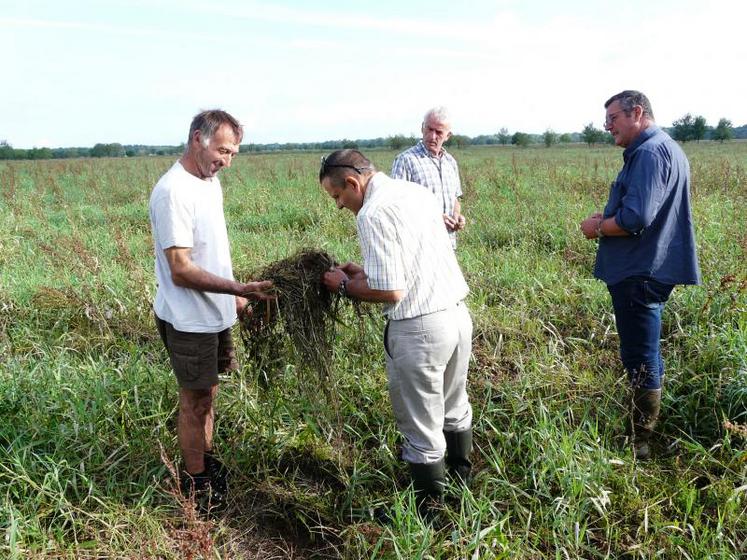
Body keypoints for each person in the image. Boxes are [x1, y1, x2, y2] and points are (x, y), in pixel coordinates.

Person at [319, 149, 473, 518]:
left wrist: (341, 285)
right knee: (455, 407)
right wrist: (362, 272)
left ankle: (430, 514)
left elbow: (391, 292)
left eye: (338, 196)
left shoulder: (372, 213)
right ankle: (462, 489)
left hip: (419, 328)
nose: (340, 205)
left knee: (421, 425)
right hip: (456, 316)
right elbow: (413, 259)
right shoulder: (415, 193)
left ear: (354, 183)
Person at [149, 109, 274, 512]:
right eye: (223, 150)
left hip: (214, 311)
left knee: (210, 392)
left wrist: (234, 298)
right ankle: (196, 483)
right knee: (195, 398)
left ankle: (205, 459)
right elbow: (181, 269)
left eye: (234, 153)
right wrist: (239, 288)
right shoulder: (173, 192)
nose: (227, 161)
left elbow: (214, 253)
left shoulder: (209, 183)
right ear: (196, 139)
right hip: (188, 317)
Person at [580, 91, 700, 460]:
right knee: (645, 351)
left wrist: (597, 227)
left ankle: (640, 441)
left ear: (637, 112)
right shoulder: (667, 147)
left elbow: (635, 218)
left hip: (639, 270)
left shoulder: (648, 152)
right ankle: (644, 428)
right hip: (651, 266)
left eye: (613, 118)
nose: (607, 126)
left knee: (640, 355)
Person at [391, 107, 465, 248]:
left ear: (448, 136)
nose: (432, 136)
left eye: (438, 132)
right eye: (429, 129)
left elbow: (455, 198)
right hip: (419, 246)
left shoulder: (450, 162)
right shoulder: (406, 160)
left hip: (448, 245)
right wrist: (434, 219)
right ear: (422, 128)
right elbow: (397, 205)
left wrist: (457, 217)